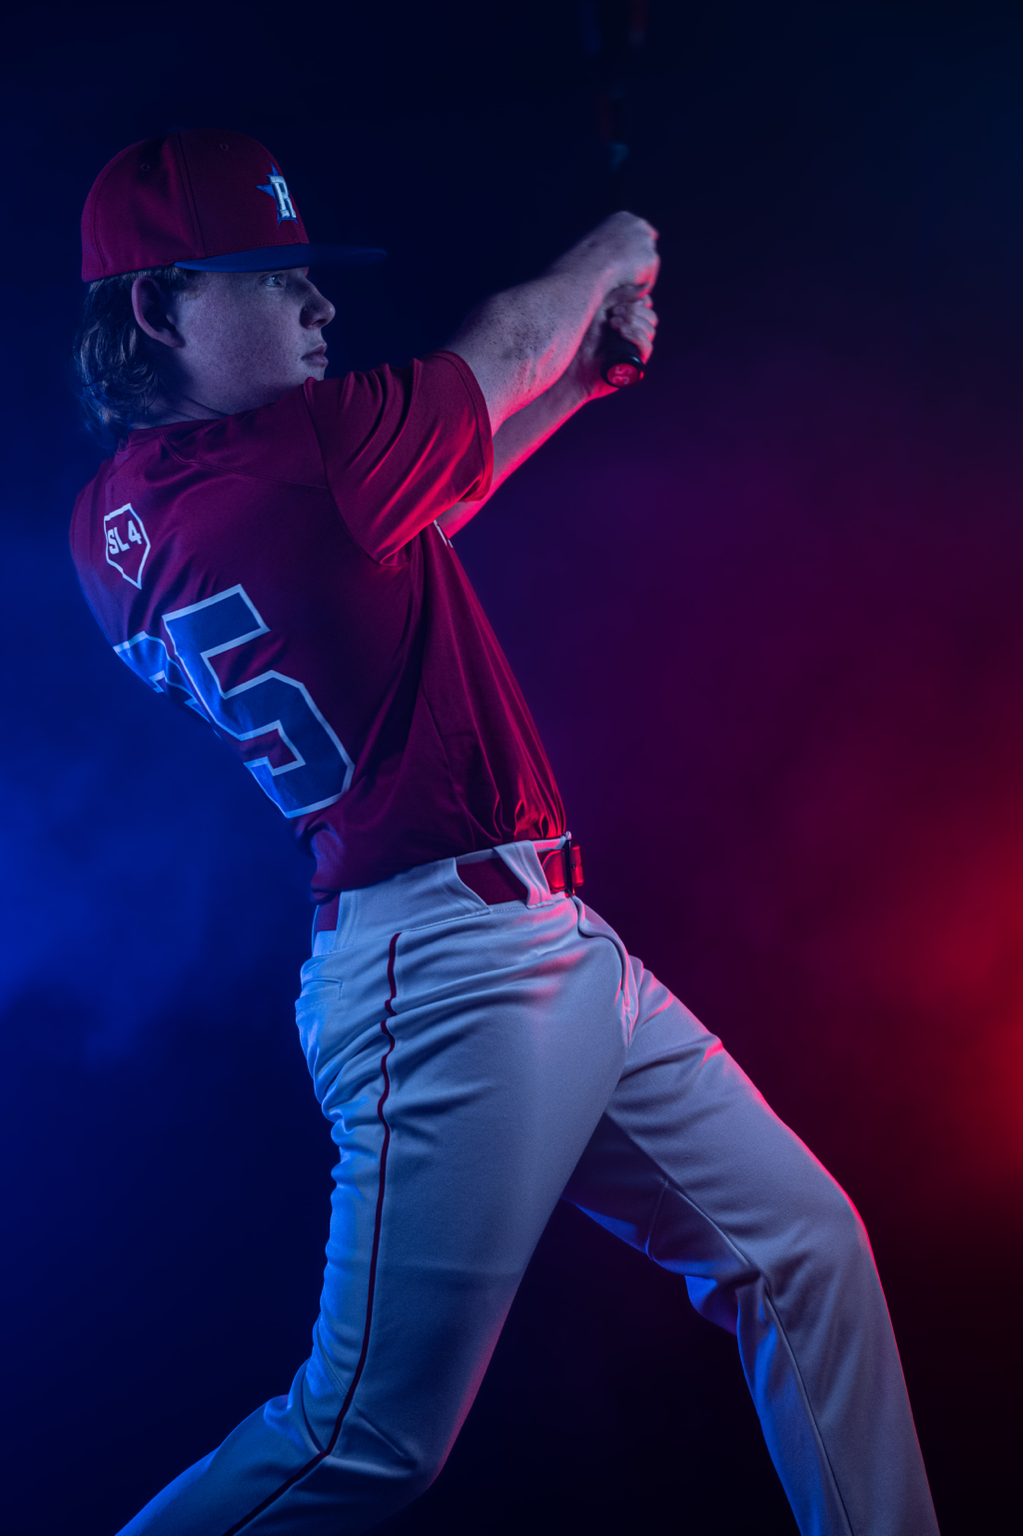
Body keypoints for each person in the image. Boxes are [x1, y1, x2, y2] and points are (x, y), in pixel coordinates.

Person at [70, 129, 939, 1536]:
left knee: (803, 1251)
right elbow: (504, 342)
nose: (319, 307)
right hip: (444, 968)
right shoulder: (302, 456)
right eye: (273, 277)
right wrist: (615, 247)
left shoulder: (125, 518)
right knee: (363, 1439)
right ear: (161, 310)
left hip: (526, 940)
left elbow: (428, 491)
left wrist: (579, 378)